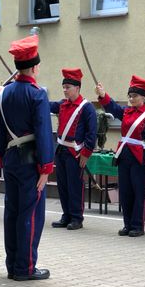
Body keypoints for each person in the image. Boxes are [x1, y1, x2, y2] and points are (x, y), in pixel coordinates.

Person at [0, 35, 54, 281]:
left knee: (12, 212)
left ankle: (12, 265)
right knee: (30, 214)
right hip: (31, 162)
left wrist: (0, 157)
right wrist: (46, 167)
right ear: (35, 67)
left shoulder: (3, 93)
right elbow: (43, 132)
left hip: (10, 158)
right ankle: (25, 267)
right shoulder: (37, 94)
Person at [96, 76, 145, 238]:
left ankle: (137, 225)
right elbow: (112, 107)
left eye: (134, 96)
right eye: (130, 96)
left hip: (139, 157)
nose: (131, 99)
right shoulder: (126, 111)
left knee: (139, 192)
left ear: (143, 97)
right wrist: (103, 95)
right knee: (125, 191)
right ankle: (127, 224)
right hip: (124, 155)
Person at [50, 68, 97, 230]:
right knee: (62, 185)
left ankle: (76, 217)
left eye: (68, 87)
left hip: (75, 153)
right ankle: (66, 215)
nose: (65, 90)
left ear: (77, 88)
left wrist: (86, 153)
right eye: (63, 87)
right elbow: (45, 105)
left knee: (74, 185)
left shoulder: (87, 107)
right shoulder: (62, 104)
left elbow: (92, 133)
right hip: (61, 150)